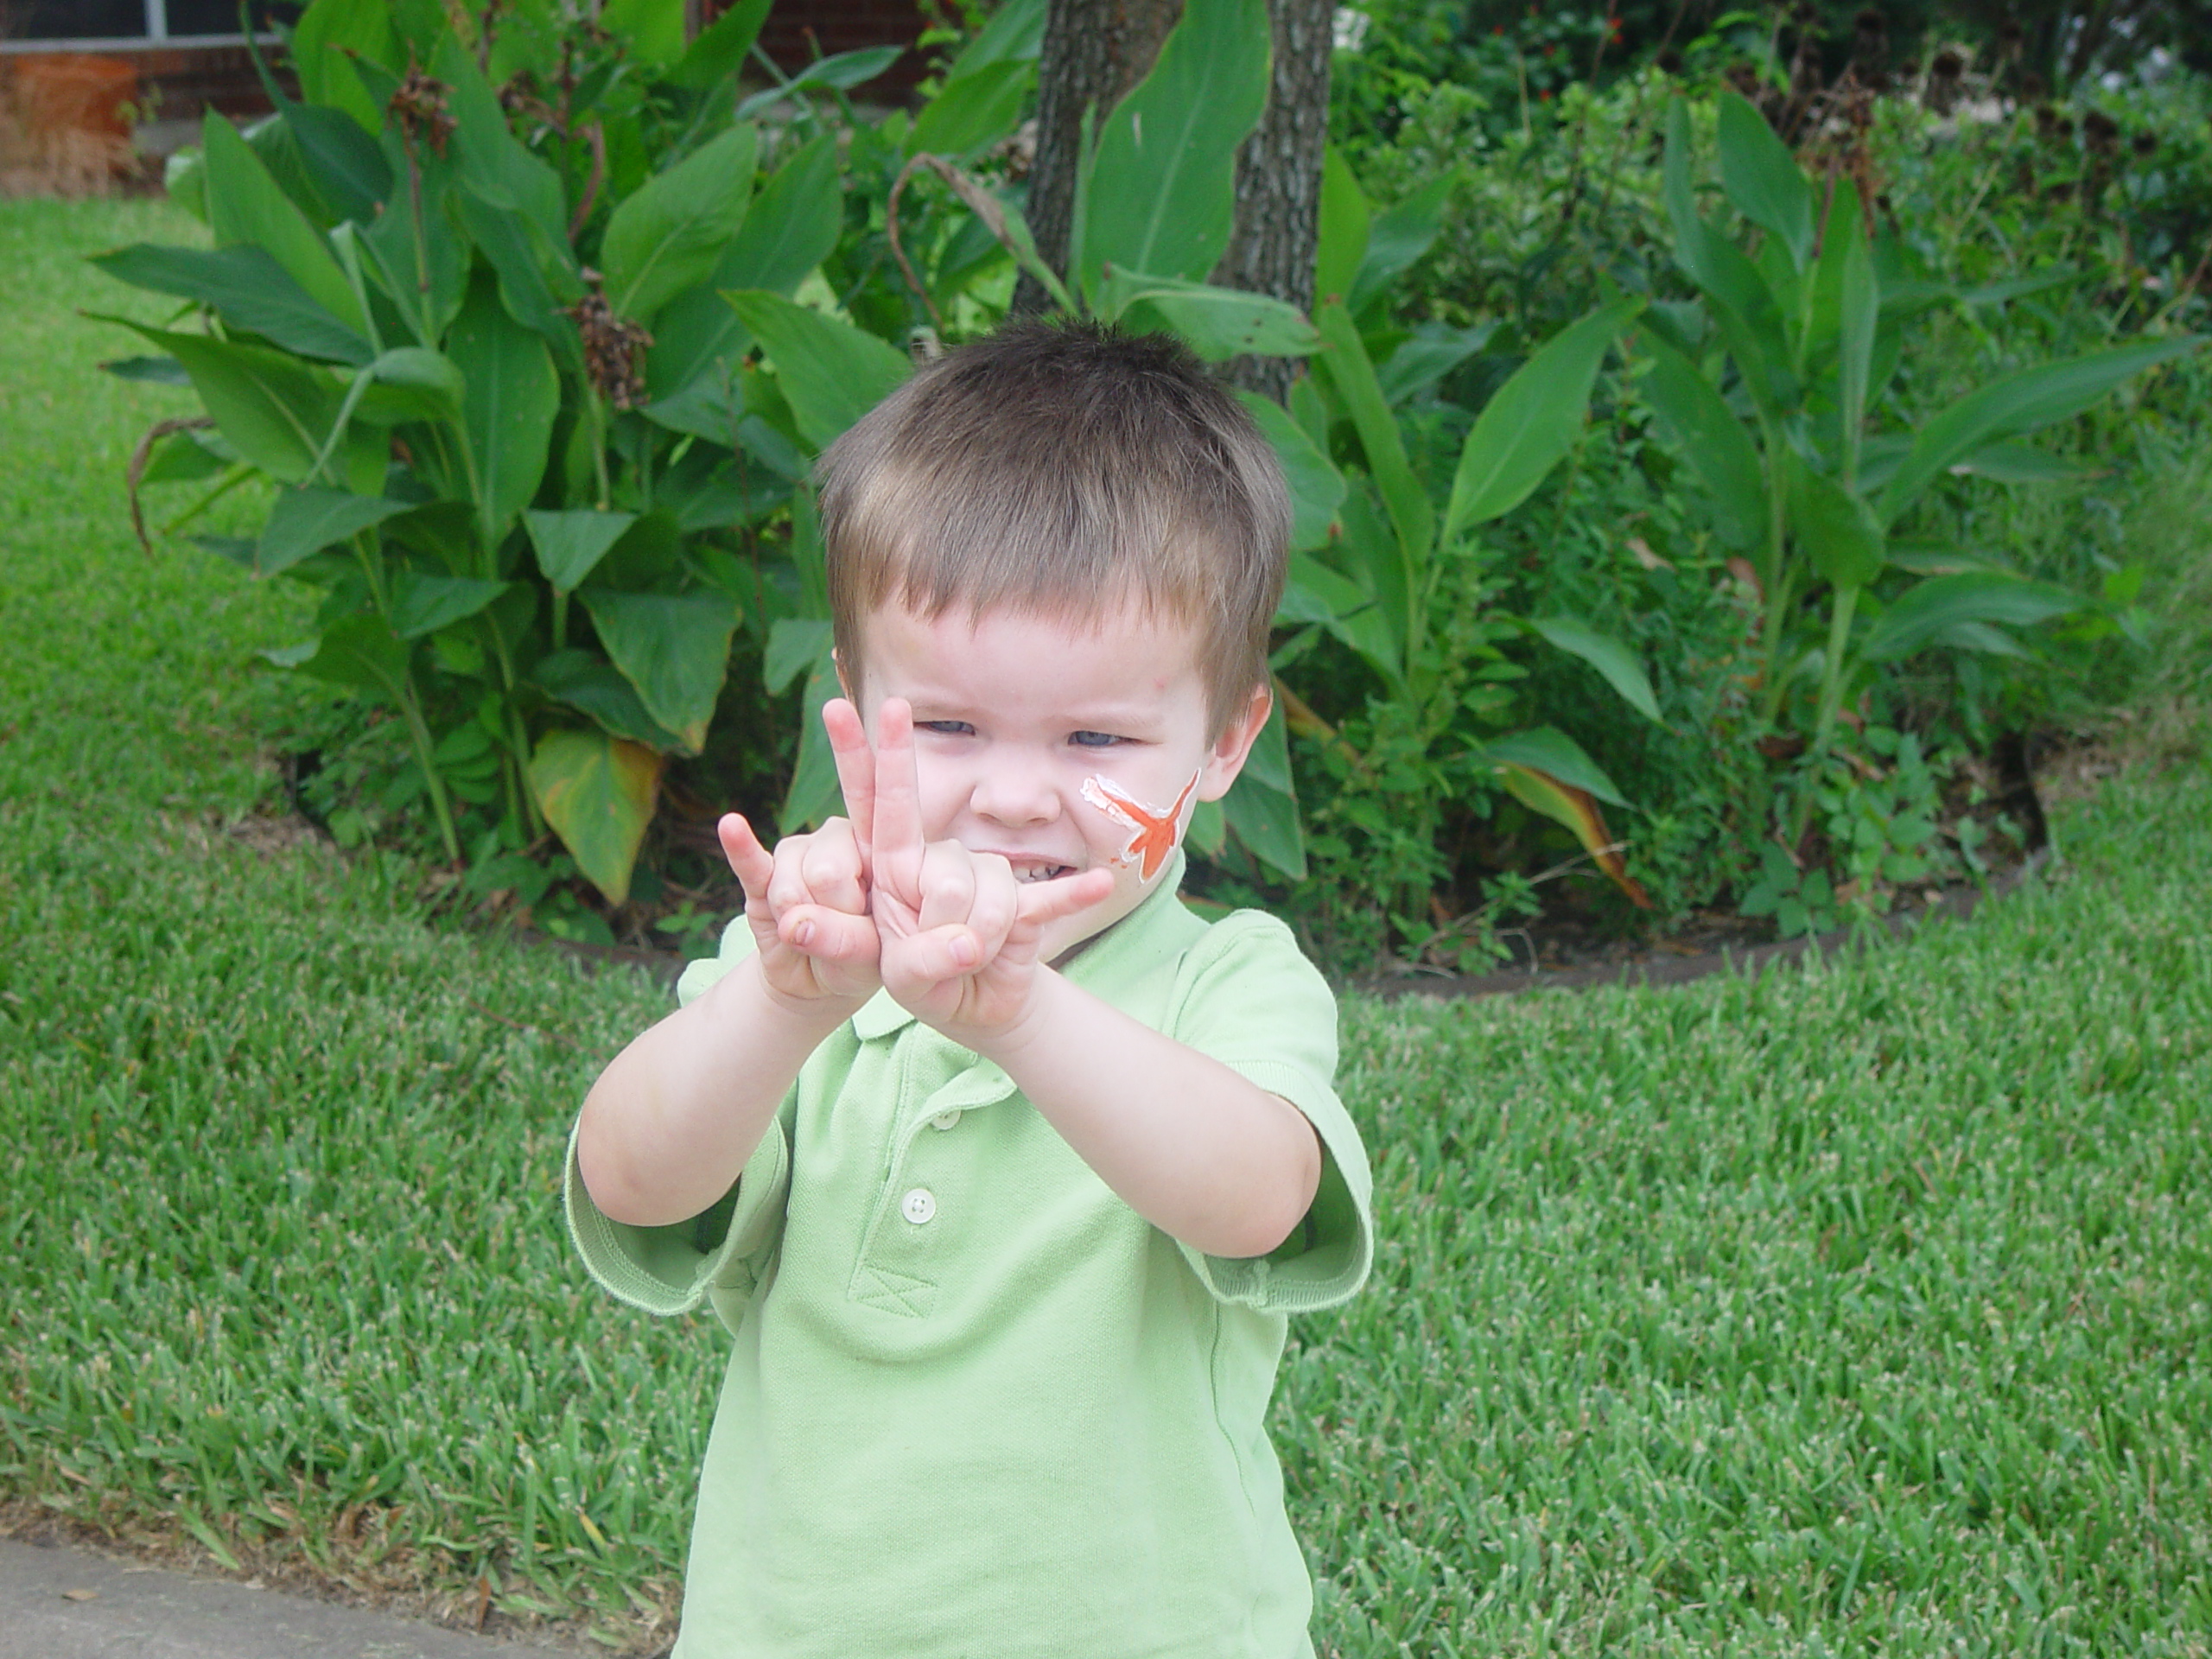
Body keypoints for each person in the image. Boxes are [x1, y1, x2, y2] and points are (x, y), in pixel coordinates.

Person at [565, 320, 1374, 1659]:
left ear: (1224, 743)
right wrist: (781, 1006)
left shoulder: (1224, 985)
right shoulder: (803, 971)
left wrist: (1023, 1014)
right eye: (945, 726)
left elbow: (1256, 1203)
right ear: (852, 699)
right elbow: (631, 1185)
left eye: (1097, 736)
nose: (1009, 795)